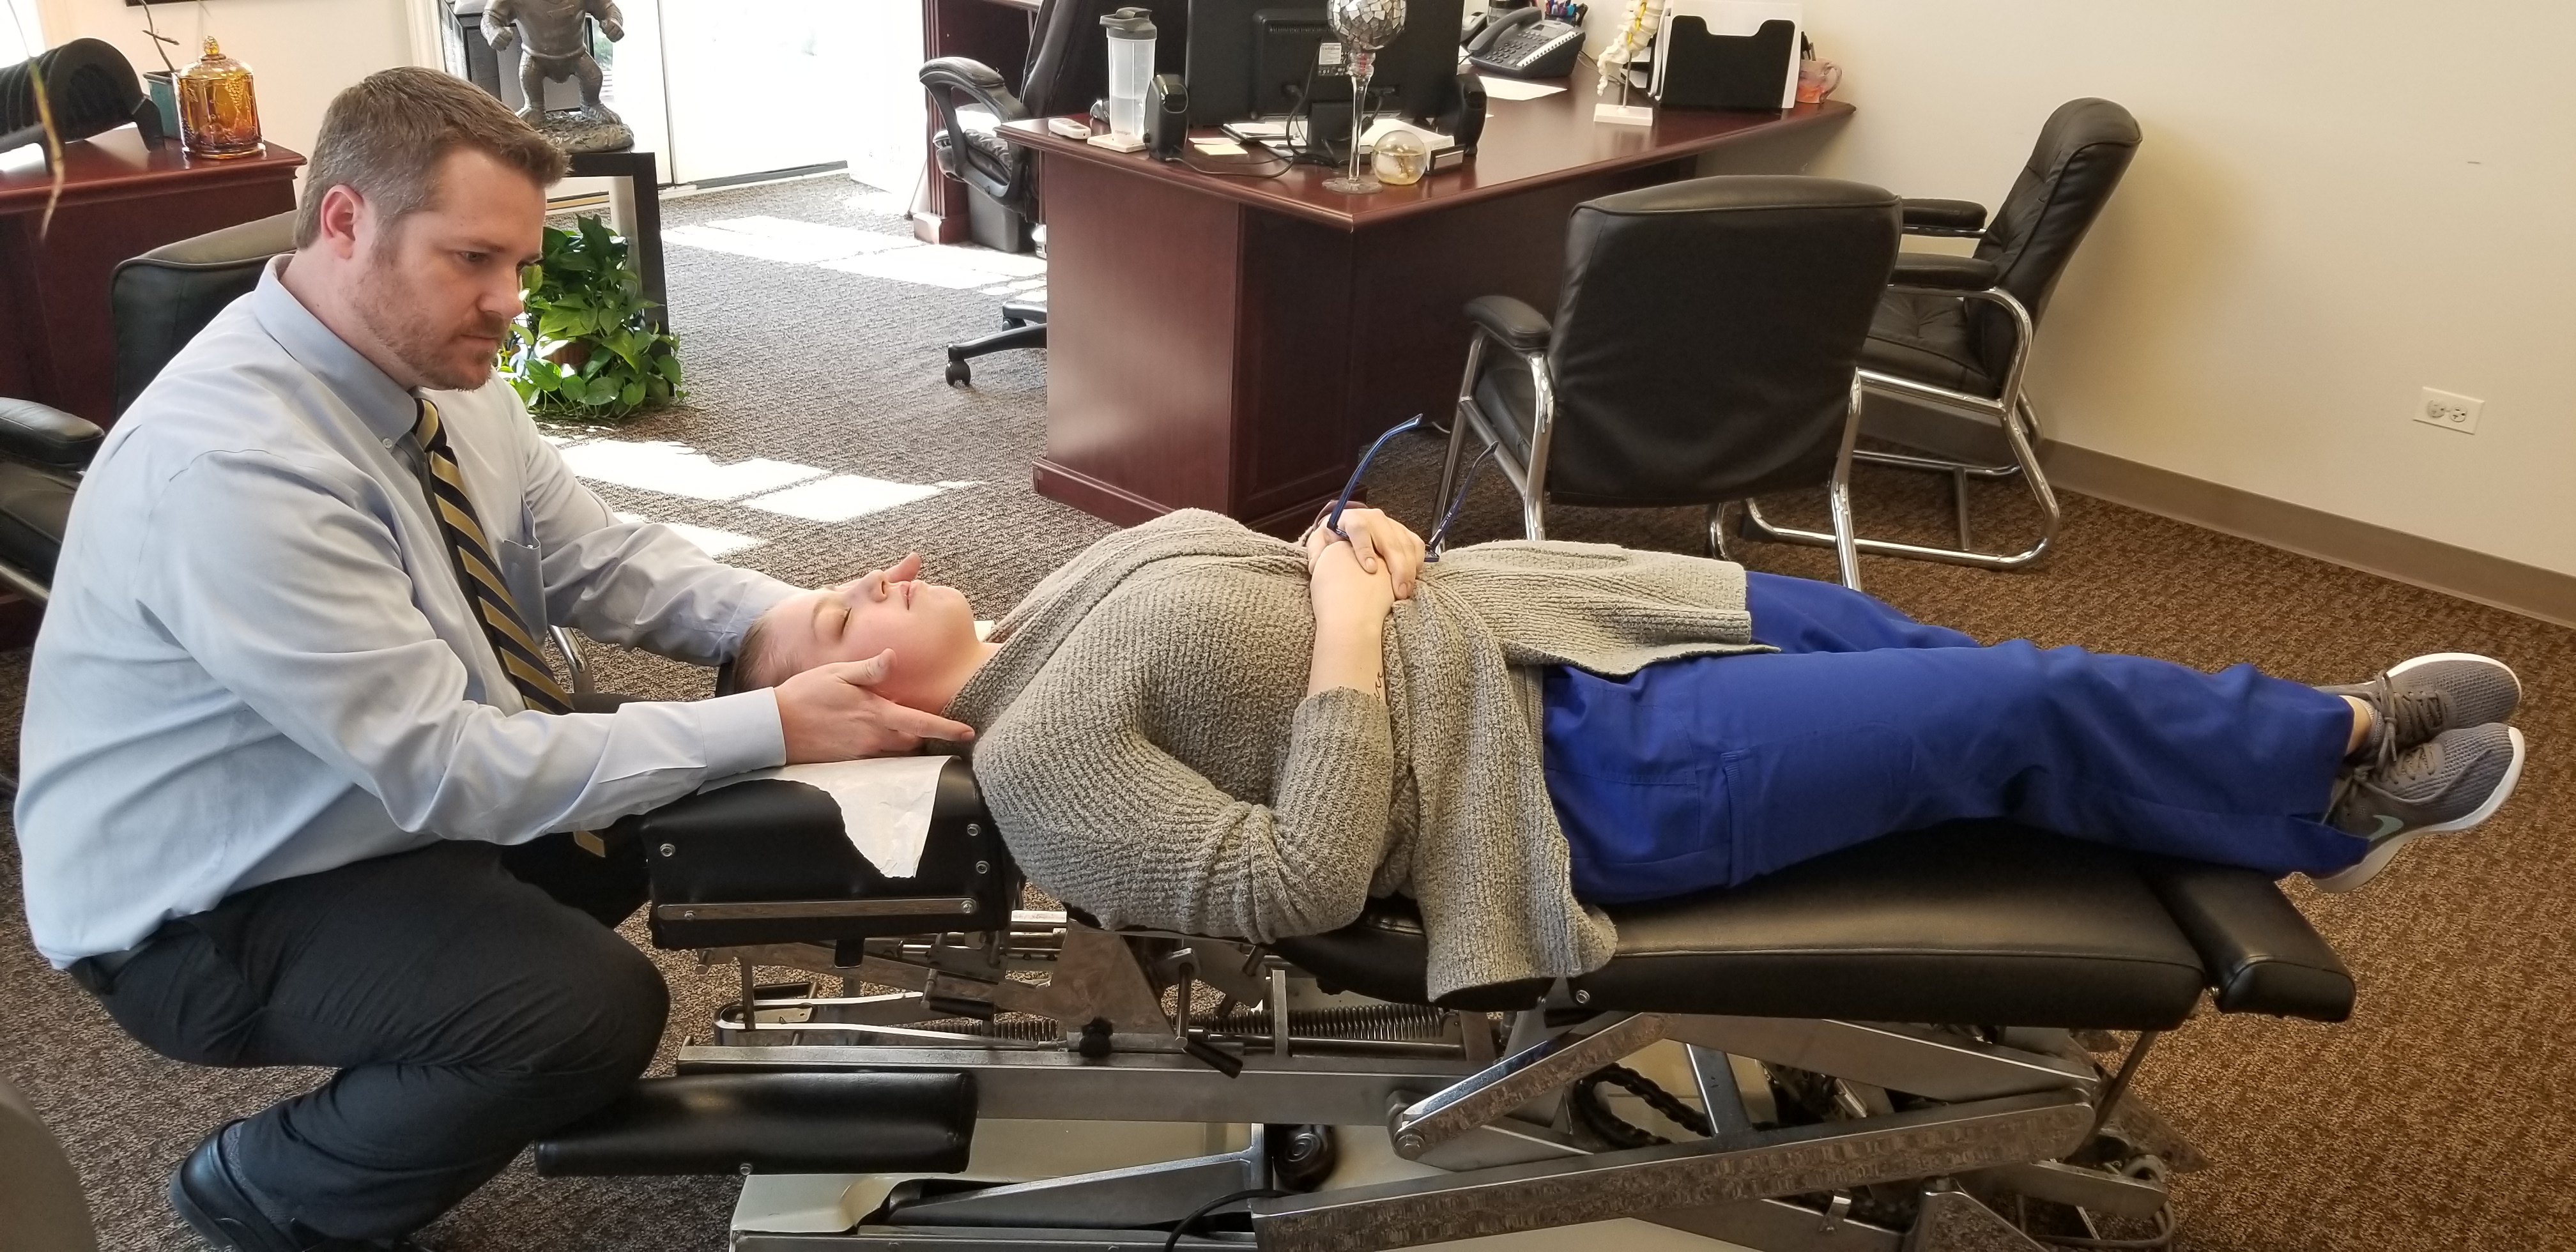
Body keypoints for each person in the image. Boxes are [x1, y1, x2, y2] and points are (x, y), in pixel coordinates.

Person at [13, 69, 973, 1251]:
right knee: (585, 1010)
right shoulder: (235, 468)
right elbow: (450, 770)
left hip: (353, 790)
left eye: (519, 263)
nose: (508, 302)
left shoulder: (429, 369)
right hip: (206, 909)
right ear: (346, 220)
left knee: (698, 792)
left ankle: (483, 1016)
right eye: (473, 259)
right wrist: (773, 723)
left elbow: (590, 555)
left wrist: (795, 621)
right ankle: (262, 1189)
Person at [734, 507, 2527, 1004]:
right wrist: (1348, 632)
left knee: (1923, 648)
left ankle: (2260, 784)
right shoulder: (1043, 767)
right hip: (1565, 780)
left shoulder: (1066, 588)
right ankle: (2341, 757)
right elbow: (1302, 879)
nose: (872, 576)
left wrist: (1351, 541)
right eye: (832, 613)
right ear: (872, 713)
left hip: (1549, 614)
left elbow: (1281, 568)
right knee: (2007, 705)